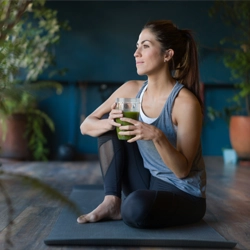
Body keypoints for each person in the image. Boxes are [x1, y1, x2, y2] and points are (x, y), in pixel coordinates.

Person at [77, 20, 206, 229]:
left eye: (145, 46)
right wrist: (109, 123)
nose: (136, 53)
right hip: (148, 180)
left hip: (183, 193)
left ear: (167, 55)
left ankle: (129, 206)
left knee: (135, 209)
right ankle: (111, 202)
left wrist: (157, 136)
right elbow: (86, 126)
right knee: (109, 128)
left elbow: (182, 171)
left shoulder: (185, 103)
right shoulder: (131, 90)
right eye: (137, 46)